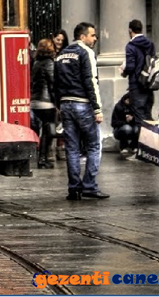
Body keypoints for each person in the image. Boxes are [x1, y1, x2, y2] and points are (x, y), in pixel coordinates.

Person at [54, 22, 107, 200]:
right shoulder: (86, 53)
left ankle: (74, 188)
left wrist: (59, 104)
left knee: (72, 148)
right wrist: (97, 108)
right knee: (93, 146)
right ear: (82, 37)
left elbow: (56, 82)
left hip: (66, 105)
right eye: (92, 35)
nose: (95, 39)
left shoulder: (61, 54)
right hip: (83, 104)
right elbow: (91, 81)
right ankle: (90, 186)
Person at [120, 19, 156, 124]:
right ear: (141, 29)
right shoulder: (150, 44)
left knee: (139, 118)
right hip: (149, 85)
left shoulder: (130, 46)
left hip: (137, 86)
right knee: (148, 116)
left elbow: (130, 67)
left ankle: (141, 140)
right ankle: (150, 140)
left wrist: (123, 71)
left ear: (130, 30)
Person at [30, 39, 58, 169]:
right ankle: (43, 159)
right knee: (48, 131)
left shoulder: (36, 63)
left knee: (40, 131)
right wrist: (57, 102)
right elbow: (52, 83)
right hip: (46, 102)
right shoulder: (49, 63)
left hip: (35, 101)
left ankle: (38, 157)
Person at [51, 29, 70, 163]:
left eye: (62, 41)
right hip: (51, 92)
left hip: (61, 91)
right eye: (58, 39)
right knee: (52, 123)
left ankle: (60, 148)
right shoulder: (48, 54)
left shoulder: (64, 55)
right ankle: (50, 150)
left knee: (62, 123)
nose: (59, 42)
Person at [111, 93, 140, 158]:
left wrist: (133, 119)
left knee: (138, 129)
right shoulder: (118, 107)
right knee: (127, 128)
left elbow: (139, 120)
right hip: (120, 129)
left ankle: (134, 146)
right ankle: (124, 146)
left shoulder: (134, 107)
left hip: (133, 127)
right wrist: (124, 121)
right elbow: (113, 123)